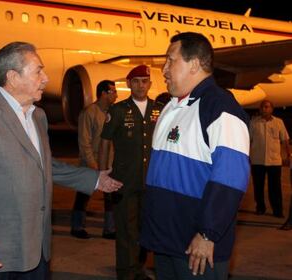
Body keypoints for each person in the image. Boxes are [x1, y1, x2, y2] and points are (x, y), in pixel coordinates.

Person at [0, 41, 122, 280]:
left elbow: (45, 165)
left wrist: (94, 179)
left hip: (36, 252)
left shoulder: (38, 116)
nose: (46, 78)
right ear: (13, 77)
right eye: (38, 70)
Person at [140, 32, 250, 280]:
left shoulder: (220, 108)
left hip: (197, 248)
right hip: (166, 243)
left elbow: (230, 180)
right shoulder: (171, 107)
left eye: (170, 61)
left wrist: (207, 233)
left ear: (194, 64)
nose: (164, 69)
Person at [99, 65, 161, 280]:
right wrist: (102, 173)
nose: (141, 85)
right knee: (126, 230)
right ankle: (126, 273)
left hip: (151, 181)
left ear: (150, 84)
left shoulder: (159, 110)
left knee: (145, 229)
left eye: (145, 81)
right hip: (123, 181)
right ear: (128, 84)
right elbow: (105, 141)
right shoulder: (118, 110)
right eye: (136, 81)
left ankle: (138, 268)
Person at [71, 79, 118, 240]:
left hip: (109, 163)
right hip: (91, 163)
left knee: (110, 197)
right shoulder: (89, 113)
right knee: (84, 194)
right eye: (113, 92)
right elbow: (84, 141)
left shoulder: (112, 112)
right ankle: (77, 226)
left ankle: (109, 229)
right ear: (103, 94)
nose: (116, 95)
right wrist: (93, 164)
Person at [249, 100, 290, 217]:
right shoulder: (254, 123)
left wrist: (288, 155)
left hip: (274, 161)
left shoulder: (279, 122)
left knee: (275, 188)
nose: (264, 109)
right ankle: (260, 208)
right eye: (262, 107)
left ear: (272, 109)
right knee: (258, 186)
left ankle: (277, 210)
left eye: (267, 107)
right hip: (257, 160)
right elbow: (248, 140)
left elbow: (285, 140)